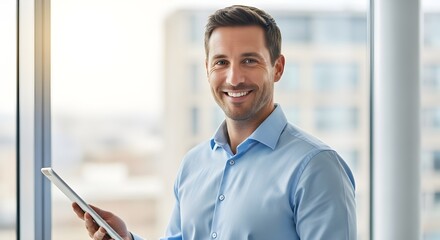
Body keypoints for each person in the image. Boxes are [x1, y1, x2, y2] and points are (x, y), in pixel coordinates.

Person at [73, 4, 357, 240]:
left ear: (277, 68)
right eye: (221, 62)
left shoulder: (317, 167)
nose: (234, 78)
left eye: (249, 61)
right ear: (207, 69)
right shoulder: (193, 164)